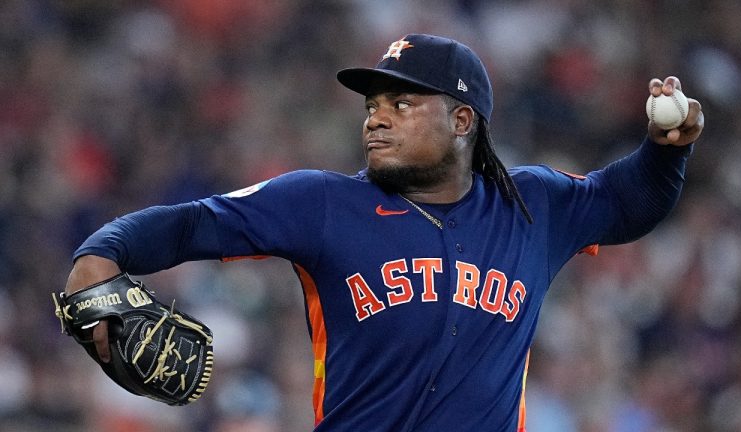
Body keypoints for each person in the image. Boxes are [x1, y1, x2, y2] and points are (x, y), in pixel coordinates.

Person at [64, 33, 704, 431]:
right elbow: (193, 224)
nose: (376, 119)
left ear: (462, 121)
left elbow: (627, 203)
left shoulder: (532, 203)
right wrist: (103, 252)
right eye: (372, 105)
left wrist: (665, 151)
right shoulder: (322, 203)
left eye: (401, 104)